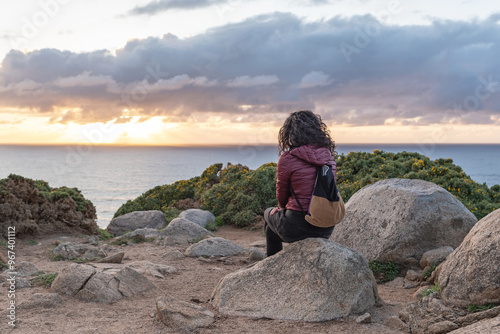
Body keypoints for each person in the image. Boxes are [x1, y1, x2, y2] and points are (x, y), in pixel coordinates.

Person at [264, 110, 337, 256]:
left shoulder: (288, 158)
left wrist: (281, 209)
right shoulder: (328, 156)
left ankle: (271, 263)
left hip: (298, 226)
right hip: (326, 226)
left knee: (267, 214)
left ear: (290, 133)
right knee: (273, 223)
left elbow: (282, 193)